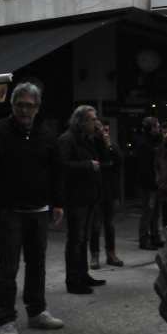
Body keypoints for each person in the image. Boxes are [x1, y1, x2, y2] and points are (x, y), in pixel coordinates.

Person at [0, 83, 65, 334]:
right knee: (7, 267)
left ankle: (37, 312)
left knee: (37, 264)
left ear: (37, 108)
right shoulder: (0, 131)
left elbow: (56, 171)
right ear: (12, 105)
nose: (24, 109)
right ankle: (5, 319)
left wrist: (58, 203)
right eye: (20, 104)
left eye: (30, 105)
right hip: (8, 212)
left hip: (39, 211)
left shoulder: (46, 134)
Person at [58, 105, 106, 294]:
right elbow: (61, 166)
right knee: (76, 239)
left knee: (83, 238)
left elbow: (105, 158)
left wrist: (102, 138)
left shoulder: (88, 139)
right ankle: (73, 280)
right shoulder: (67, 139)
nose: (96, 123)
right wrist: (87, 165)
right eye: (93, 119)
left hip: (89, 196)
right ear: (82, 121)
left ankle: (83, 275)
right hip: (76, 198)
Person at [89, 119, 124, 269]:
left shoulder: (111, 145)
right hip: (96, 190)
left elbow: (120, 161)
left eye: (107, 130)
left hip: (110, 190)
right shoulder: (91, 144)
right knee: (95, 225)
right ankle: (94, 255)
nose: (105, 133)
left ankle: (111, 253)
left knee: (110, 224)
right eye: (102, 130)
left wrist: (109, 144)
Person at [136, 117, 162, 250]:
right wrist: (153, 183)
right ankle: (144, 240)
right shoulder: (145, 144)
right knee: (148, 212)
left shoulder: (151, 142)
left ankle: (154, 237)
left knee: (154, 213)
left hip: (152, 183)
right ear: (151, 128)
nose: (159, 129)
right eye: (156, 126)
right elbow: (145, 168)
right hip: (149, 184)